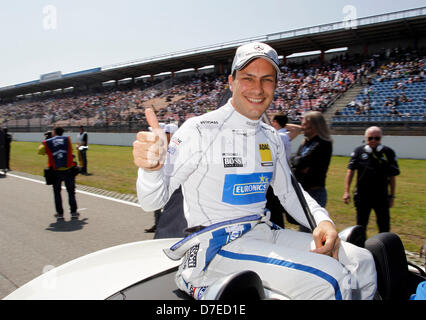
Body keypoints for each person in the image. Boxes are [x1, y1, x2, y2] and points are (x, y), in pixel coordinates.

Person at [133, 42, 376, 300]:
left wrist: (322, 221)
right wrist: (151, 169)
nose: (258, 89)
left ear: (275, 85)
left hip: (262, 231)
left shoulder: (270, 136)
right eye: (248, 78)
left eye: (266, 80)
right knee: (330, 278)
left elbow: (290, 193)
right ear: (232, 81)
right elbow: (152, 201)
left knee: (363, 262)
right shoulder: (199, 130)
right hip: (215, 245)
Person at [343, 126, 400, 235]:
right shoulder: (358, 151)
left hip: (381, 196)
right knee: (360, 225)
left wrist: (392, 196)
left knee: (384, 226)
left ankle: (384, 248)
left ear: (381, 138)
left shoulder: (388, 152)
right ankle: (360, 248)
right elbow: (350, 171)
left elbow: (392, 176)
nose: (373, 140)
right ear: (366, 138)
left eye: (377, 138)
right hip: (362, 196)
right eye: (370, 138)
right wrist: (346, 191)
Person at [265, 113, 301, 227]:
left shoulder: (277, 135)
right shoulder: (284, 135)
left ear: (275, 122)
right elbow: (298, 129)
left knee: (274, 206)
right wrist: (283, 124)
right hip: (284, 172)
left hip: (275, 174)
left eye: (272, 121)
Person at [291, 111, 333, 209]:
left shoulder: (323, 144)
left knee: (312, 224)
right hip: (302, 191)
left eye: (305, 124)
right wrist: (297, 162)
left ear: (314, 126)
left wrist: (297, 162)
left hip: (315, 193)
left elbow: (301, 162)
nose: (302, 127)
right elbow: (295, 162)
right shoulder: (306, 143)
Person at [144, 122, 179, 233]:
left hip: (173, 179)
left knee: (173, 204)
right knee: (157, 202)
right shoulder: (159, 146)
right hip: (162, 177)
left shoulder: (175, 145)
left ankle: (172, 226)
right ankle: (158, 224)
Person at [39, 127, 79, 221]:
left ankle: (60, 213)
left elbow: (40, 151)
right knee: (71, 192)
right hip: (68, 170)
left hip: (56, 171)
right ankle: (73, 212)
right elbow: (70, 151)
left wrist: (46, 139)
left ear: (54, 132)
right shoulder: (67, 140)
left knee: (57, 193)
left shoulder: (49, 142)